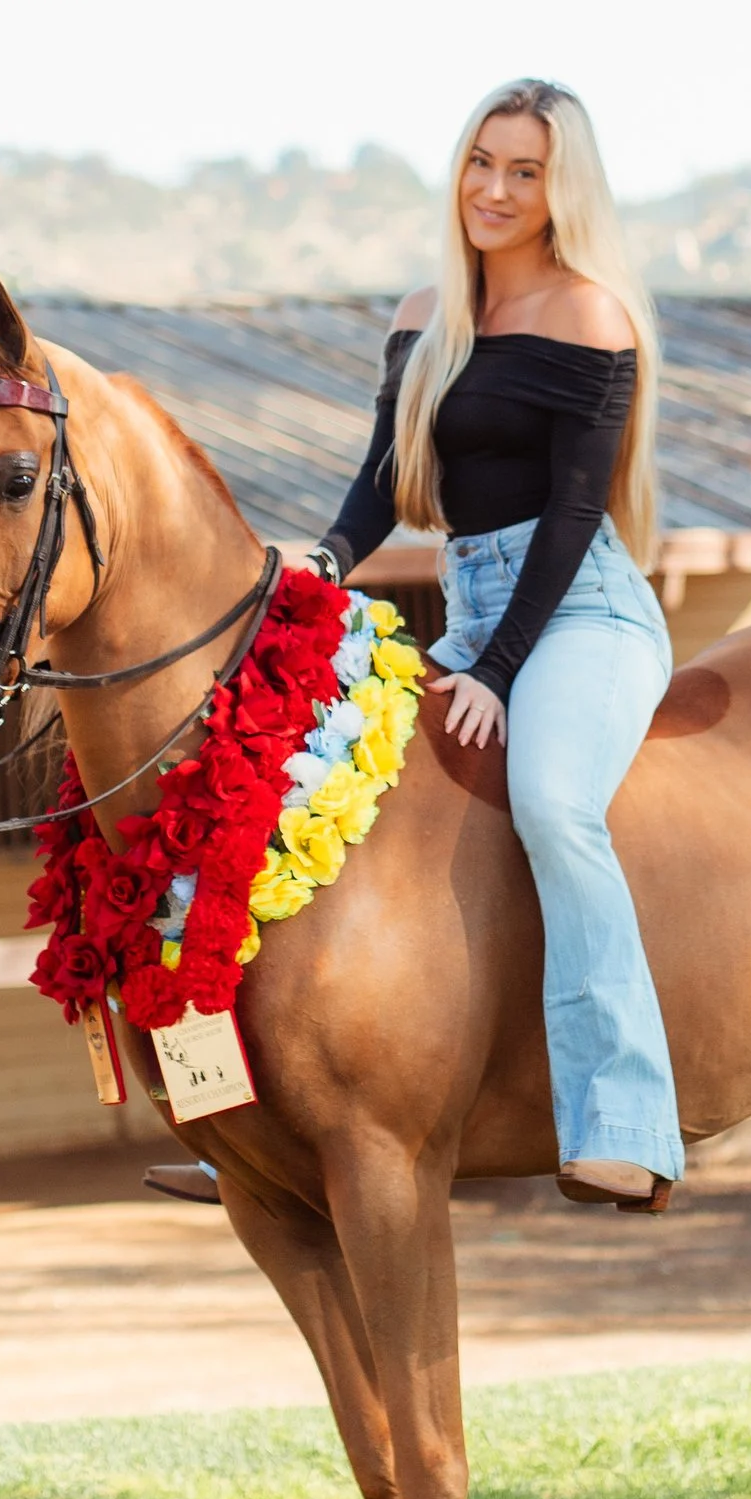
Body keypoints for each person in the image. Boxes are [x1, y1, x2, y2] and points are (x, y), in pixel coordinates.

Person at [318, 77, 681, 1208]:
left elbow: (576, 517)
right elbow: (387, 477)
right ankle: (241, 1104)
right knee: (294, 762)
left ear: (560, 189)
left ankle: (625, 1123)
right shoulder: (425, 313)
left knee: (554, 805)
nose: (494, 187)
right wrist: (321, 566)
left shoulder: (591, 315)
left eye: (525, 170)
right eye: (483, 160)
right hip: (465, 603)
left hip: (580, 614)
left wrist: (497, 669)